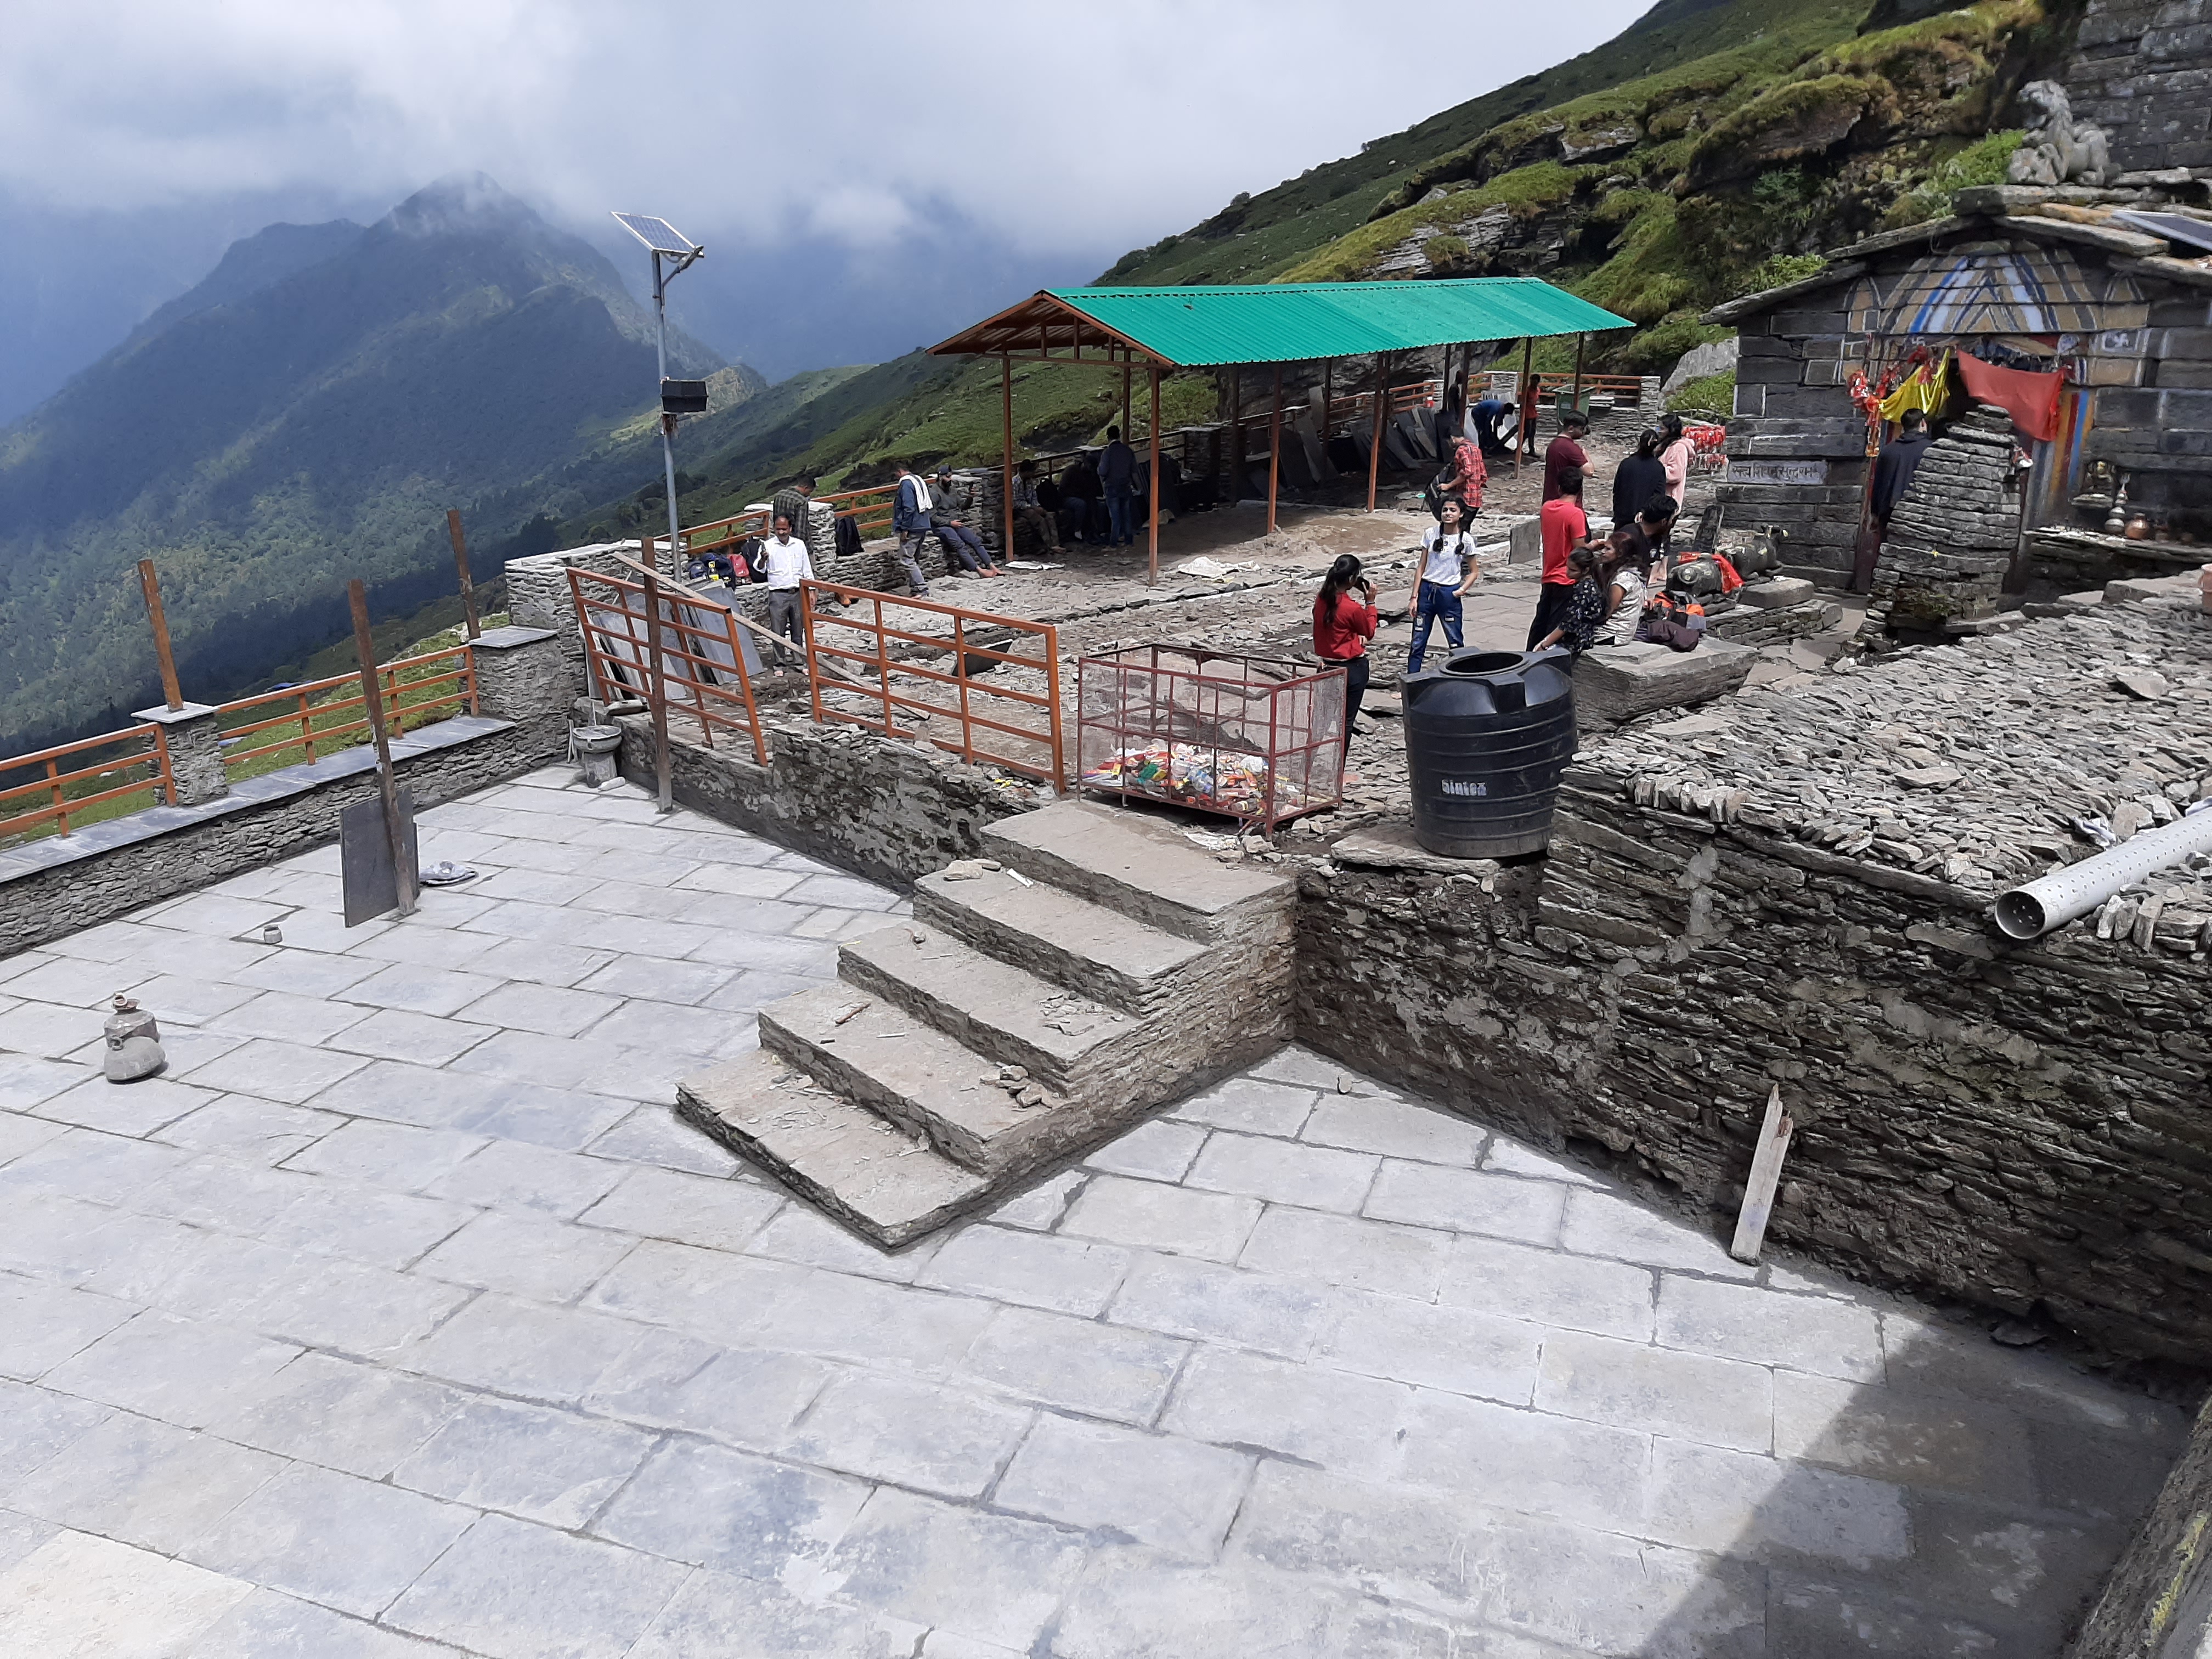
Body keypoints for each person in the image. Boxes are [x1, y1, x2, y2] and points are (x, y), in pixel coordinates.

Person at [1406, 497, 1482, 674]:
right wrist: (1414, 597)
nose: (1448, 514)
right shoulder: (1430, 534)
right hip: (1426, 592)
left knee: (1455, 643)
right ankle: (1411, 683)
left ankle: (1462, 679)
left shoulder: (1466, 540)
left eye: (1453, 510)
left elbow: (1474, 571)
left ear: (1461, 514)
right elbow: (1421, 566)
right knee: (1418, 643)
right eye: (1445, 510)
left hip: (1449, 594)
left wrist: (1461, 590)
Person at [1313, 554, 1378, 753]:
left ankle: (1309, 765)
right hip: (1352, 669)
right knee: (1346, 723)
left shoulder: (1321, 600)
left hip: (1327, 665)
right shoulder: (1353, 608)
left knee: (1320, 722)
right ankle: (1338, 771)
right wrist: (1371, 602)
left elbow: (1332, 628)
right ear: (1352, 580)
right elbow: (1369, 631)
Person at [1528, 465, 1592, 649]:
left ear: (1559, 488)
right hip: (1566, 578)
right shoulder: (1575, 514)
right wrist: (1594, 546)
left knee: (1540, 622)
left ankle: (1528, 656)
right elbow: (1580, 550)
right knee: (1554, 627)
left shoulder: (1547, 508)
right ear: (1580, 490)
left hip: (1548, 573)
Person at [758, 514, 813, 668]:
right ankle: (780, 662)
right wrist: (763, 559)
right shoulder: (768, 546)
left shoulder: (799, 545)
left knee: (798, 628)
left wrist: (812, 590)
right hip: (778, 594)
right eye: (778, 529)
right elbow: (759, 569)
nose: (781, 532)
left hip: (797, 592)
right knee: (778, 630)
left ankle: (798, 660)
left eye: (784, 529)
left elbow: (806, 569)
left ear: (790, 529)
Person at [1533, 545, 1607, 654]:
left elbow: (1569, 624)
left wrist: (1545, 644)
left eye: (1573, 570)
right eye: (1567, 568)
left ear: (1585, 570)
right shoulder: (1590, 584)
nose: (1567, 573)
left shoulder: (1584, 590)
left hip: (1577, 641)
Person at [930, 466, 1002, 577]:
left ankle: (992, 566)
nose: (950, 479)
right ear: (940, 477)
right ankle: (978, 570)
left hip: (955, 523)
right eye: (947, 477)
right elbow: (932, 516)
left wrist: (970, 497)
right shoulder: (934, 493)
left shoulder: (952, 490)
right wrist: (949, 523)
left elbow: (963, 506)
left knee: (975, 541)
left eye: (951, 476)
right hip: (942, 526)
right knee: (959, 545)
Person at [1871, 408, 1932, 524]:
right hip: (1920, 511)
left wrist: (1874, 513)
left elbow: (1878, 483)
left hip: (1889, 510)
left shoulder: (1888, 450)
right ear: (1923, 424)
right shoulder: (1931, 450)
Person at [890, 462, 936, 596]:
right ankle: (915, 588)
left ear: (899, 472)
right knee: (914, 558)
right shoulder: (919, 480)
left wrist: (905, 528)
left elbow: (908, 507)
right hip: (923, 523)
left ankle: (922, 588)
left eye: (896, 475)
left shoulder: (906, 484)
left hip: (913, 525)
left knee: (907, 559)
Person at [1598, 533, 1652, 647]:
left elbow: (1609, 610)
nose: (1603, 552)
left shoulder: (1623, 579)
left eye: (1608, 549)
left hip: (1613, 633)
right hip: (1622, 631)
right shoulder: (1630, 571)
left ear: (1620, 553)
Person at [1611, 431, 1667, 535]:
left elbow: (1617, 490)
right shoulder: (1658, 468)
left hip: (1623, 516)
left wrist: (1618, 512)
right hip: (1644, 520)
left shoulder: (1626, 463)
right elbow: (1659, 496)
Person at [1098, 425, 1138, 546]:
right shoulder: (1128, 451)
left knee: (1115, 518)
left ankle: (1114, 543)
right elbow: (1134, 470)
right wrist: (1138, 487)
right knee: (1126, 515)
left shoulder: (1108, 452)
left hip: (1112, 487)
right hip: (1126, 486)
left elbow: (1102, 471)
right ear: (1119, 435)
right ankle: (1129, 541)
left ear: (1108, 437)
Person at [1432, 436, 1487, 521]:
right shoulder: (1475, 449)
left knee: (1458, 527)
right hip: (1476, 497)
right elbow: (1482, 473)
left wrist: (1449, 486)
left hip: (1465, 497)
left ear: (1452, 438)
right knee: (1466, 527)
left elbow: (1467, 473)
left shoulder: (1462, 450)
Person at [1011, 460, 1060, 554]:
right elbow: (1015, 502)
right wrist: (1032, 507)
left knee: (1049, 516)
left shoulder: (1030, 482)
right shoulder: (1015, 483)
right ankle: (1049, 545)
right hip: (1019, 509)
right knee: (1039, 520)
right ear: (1026, 472)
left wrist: (1037, 506)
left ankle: (1056, 543)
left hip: (1030, 506)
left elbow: (1033, 496)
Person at [1543, 410, 1590, 502]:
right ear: (1571, 429)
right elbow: (1589, 471)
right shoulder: (1570, 448)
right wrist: (1585, 454)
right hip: (1567, 502)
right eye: (1581, 429)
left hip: (1551, 500)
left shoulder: (1553, 444)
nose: (1583, 433)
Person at [770, 476, 816, 562]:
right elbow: (800, 529)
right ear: (805, 488)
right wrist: (800, 550)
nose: (809, 494)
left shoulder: (779, 495)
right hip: (795, 544)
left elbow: (775, 518)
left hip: (781, 541)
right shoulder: (801, 501)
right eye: (809, 491)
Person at [1059, 452, 1101, 543]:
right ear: (1085, 463)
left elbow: (1093, 489)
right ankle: (1077, 530)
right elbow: (1062, 489)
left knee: (1094, 504)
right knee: (1080, 505)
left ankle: (1093, 530)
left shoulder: (1091, 474)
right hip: (1067, 497)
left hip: (1083, 496)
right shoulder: (1071, 470)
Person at [1658, 413, 1696, 512]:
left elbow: (1675, 474)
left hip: (1669, 501)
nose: (1658, 432)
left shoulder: (1678, 448)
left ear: (1671, 430)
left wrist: (1654, 470)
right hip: (1660, 499)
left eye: (1662, 429)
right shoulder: (1666, 446)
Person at [1470, 394, 1516, 458]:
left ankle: (1488, 443)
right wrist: (1488, 433)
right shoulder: (1496, 408)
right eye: (1506, 413)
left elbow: (1497, 422)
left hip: (1484, 414)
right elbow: (1488, 421)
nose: (1505, 415)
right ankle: (1483, 451)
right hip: (1478, 413)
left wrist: (1496, 436)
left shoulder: (1501, 407)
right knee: (1483, 431)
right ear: (1506, 410)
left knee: (1489, 429)